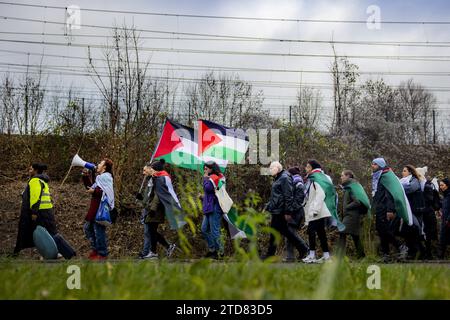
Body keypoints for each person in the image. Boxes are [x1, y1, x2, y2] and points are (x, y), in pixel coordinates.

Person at [263, 161, 308, 261]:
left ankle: (303, 248)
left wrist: (288, 212)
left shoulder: (284, 178)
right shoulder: (278, 178)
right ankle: (303, 248)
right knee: (283, 232)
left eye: (272, 168)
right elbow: (276, 196)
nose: (270, 170)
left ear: (278, 168)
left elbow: (288, 196)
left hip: (281, 211)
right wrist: (268, 207)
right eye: (270, 168)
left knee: (279, 232)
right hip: (276, 210)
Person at [136, 159, 179, 260]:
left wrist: (152, 209)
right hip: (152, 208)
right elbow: (150, 197)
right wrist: (142, 199)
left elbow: (157, 196)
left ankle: (161, 249)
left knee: (152, 231)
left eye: (151, 169)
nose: (149, 170)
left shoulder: (159, 179)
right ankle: (157, 250)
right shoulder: (155, 179)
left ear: (155, 169)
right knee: (152, 231)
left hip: (156, 209)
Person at [14, 163, 58, 255]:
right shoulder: (43, 180)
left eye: (30, 169)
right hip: (47, 210)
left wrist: (34, 212)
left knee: (46, 233)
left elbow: (35, 197)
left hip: (40, 211)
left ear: (35, 170)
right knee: (50, 231)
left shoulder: (35, 180)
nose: (29, 171)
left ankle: (56, 252)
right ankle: (55, 252)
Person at [371, 158, 409, 262]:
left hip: (385, 209)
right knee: (381, 231)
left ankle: (401, 246)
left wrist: (390, 210)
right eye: (372, 164)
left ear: (380, 165)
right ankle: (386, 254)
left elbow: (390, 194)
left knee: (385, 230)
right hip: (379, 208)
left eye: (375, 164)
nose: (372, 166)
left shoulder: (386, 176)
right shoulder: (378, 176)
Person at [302, 160, 338, 263]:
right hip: (322, 210)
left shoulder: (316, 177)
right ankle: (326, 256)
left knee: (311, 231)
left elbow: (320, 194)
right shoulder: (322, 177)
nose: (306, 168)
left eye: (308, 167)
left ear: (312, 168)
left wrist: (315, 210)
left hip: (317, 210)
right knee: (321, 233)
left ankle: (312, 255)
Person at [82, 158, 114, 260]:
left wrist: (94, 191)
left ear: (104, 167)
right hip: (95, 207)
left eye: (100, 163)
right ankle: (96, 249)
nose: (98, 164)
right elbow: (91, 188)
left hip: (100, 209)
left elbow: (104, 193)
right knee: (88, 228)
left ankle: (102, 253)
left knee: (99, 231)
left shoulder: (106, 178)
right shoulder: (100, 178)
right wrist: (85, 176)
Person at [337, 170, 370, 259]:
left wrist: (347, 207)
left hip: (351, 216)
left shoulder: (352, 187)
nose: (341, 177)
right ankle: (361, 256)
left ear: (348, 176)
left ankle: (339, 257)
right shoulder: (348, 186)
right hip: (351, 215)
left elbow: (357, 202)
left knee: (342, 232)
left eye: (342, 175)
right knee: (355, 236)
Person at [400, 165, 427, 259]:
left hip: (416, 210)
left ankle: (419, 252)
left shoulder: (414, 180)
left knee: (414, 230)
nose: (402, 172)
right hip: (410, 210)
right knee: (408, 231)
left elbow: (410, 189)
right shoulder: (404, 182)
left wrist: (399, 187)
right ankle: (415, 252)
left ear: (410, 172)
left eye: (404, 171)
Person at [201, 161, 225, 259]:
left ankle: (220, 252)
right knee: (204, 229)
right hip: (209, 206)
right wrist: (203, 197)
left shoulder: (215, 177)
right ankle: (213, 250)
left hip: (215, 207)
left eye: (206, 168)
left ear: (212, 169)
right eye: (204, 168)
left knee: (214, 231)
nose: (205, 170)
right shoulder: (213, 178)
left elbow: (207, 188)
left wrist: (205, 177)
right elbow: (211, 192)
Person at [284, 166, 308, 262]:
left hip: (296, 213)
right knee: (290, 233)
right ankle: (291, 256)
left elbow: (298, 201)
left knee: (290, 233)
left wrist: (289, 212)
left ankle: (305, 249)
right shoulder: (294, 183)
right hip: (294, 212)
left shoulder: (298, 183)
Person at [417, 166, 440, 259]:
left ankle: (428, 254)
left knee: (427, 234)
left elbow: (429, 200)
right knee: (424, 233)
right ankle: (425, 253)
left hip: (427, 213)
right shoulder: (421, 185)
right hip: (425, 213)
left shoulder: (426, 186)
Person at [438, 178, 450, 259]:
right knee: (443, 238)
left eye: (442, 185)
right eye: (440, 185)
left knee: (444, 238)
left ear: (447, 185)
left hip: (448, 220)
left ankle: (441, 256)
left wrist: (448, 219)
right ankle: (440, 256)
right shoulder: (445, 195)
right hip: (444, 220)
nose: (440, 187)